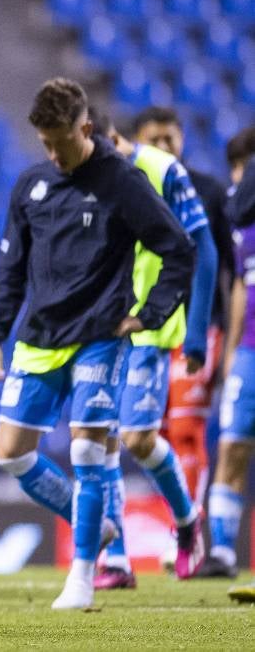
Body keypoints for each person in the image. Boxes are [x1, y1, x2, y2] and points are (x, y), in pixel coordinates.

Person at [0, 78, 195, 609]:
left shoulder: (122, 181)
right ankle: (89, 520)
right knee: (11, 455)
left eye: (61, 142)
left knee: (87, 449)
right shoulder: (31, 184)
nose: (53, 154)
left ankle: (81, 577)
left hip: (101, 335)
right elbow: (11, 269)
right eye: (45, 144)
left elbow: (178, 248)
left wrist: (149, 315)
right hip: (40, 336)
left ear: (87, 129)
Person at [87, 109, 216, 588]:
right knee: (96, 439)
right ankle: (115, 557)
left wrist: (198, 332)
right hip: (99, 326)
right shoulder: (79, 175)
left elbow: (202, 249)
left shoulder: (161, 170)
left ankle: (186, 521)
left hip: (149, 325)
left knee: (138, 439)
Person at [132, 107, 236, 539]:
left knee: (187, 429)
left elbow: (232, 273)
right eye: (153, 140)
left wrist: (226, 340)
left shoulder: (209, 192)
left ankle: (187, 528)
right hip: (147, 328)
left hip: (198, 326)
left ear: (182, 140)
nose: (162, 148)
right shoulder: (128, 189)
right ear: (138, 142)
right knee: (149, 433)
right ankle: (180, 518)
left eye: (169, 139)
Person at [204, 130, 255, 586]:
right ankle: (220, 553)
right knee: (232, 446)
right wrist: (232, 351)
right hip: (250, 355)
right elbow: (240, 286)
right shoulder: (244, 230)